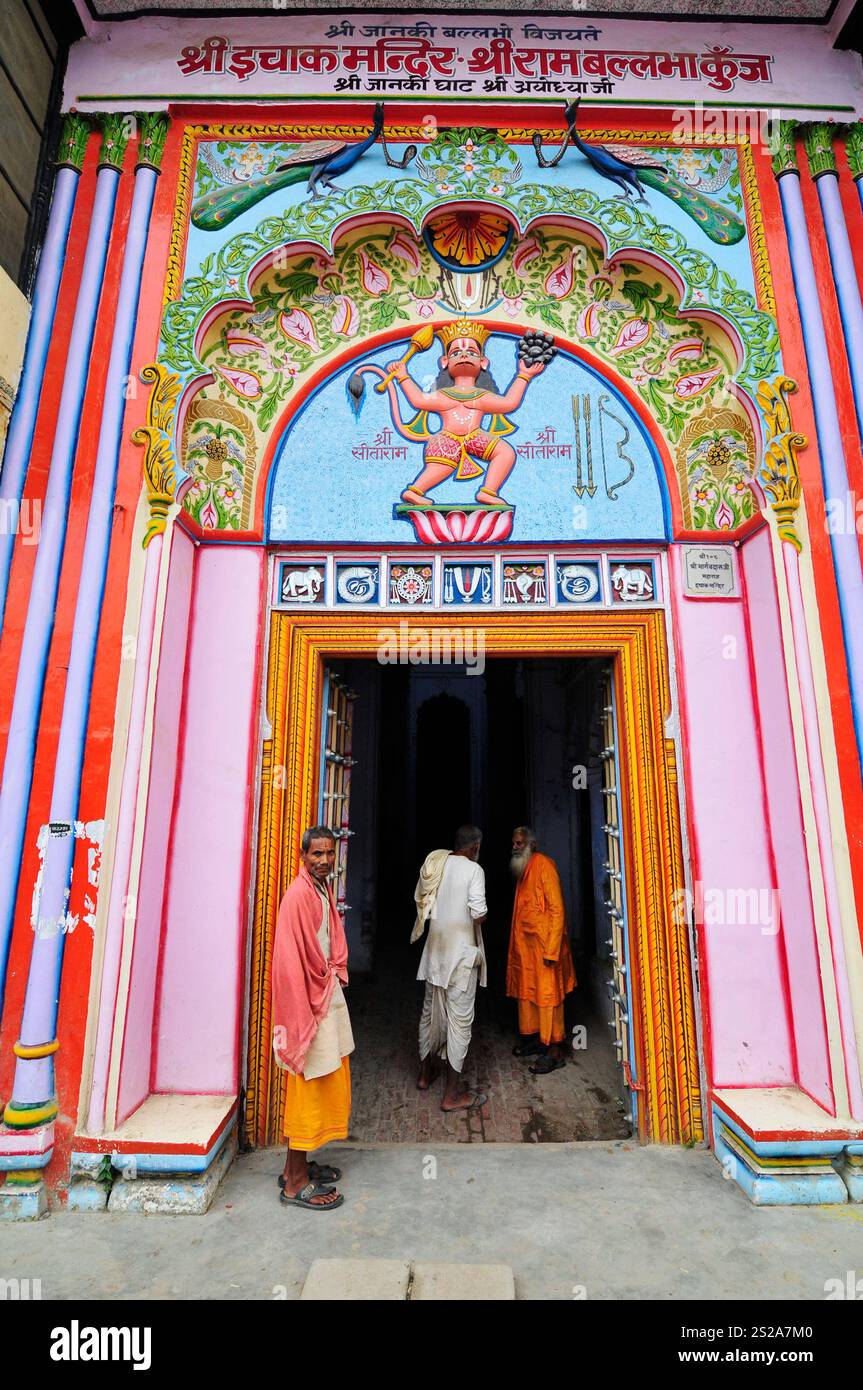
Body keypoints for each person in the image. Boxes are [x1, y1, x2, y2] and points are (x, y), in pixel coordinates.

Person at [271, 826, 354, 1210]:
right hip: (308, 1007)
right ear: (303, 856)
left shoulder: (317, 889)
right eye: (316, 854)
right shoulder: (297, 896)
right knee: (307, 1088)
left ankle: (296, 1169)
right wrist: (302, 1015)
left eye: (328, 854)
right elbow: (289, 966)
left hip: (321, 998)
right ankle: (296, 1184)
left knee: (321, 1083)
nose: (323, 861)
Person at [385, 318, 546, 507]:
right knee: (442, 465)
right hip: (447, 439)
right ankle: (414, 491)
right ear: (445, 361)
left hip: (474, 437)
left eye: (471, 352)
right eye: (455, 353)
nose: (463, 355)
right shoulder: (444, 395)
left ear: (483, 362)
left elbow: (509, 403)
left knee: (505, 452)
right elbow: (418, 400)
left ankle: (488, 492)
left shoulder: (481, 396)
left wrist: (524, 376)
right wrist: (403, 376)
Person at [412, 825, 489, 1112]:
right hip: (460, 959)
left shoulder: (437, 863)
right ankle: (452, 1095)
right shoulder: (474, 871)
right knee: (459, 1024)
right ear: (475, 846)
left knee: (429, 1016)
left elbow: (423, 899)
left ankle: (424, 1074)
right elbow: (478, 914)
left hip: (434, 955)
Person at [507, 826, 576, 1074]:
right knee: (529, 995)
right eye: (514, 843)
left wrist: (552, 950)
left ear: (532, 846)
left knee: (548, 998)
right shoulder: (524, 868)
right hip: (527, 951)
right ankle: (539, 1040)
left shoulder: (544, 865)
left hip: (546, 948)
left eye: (519, 844)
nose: (515, 847)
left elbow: (557, 910)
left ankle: (555, 1050)